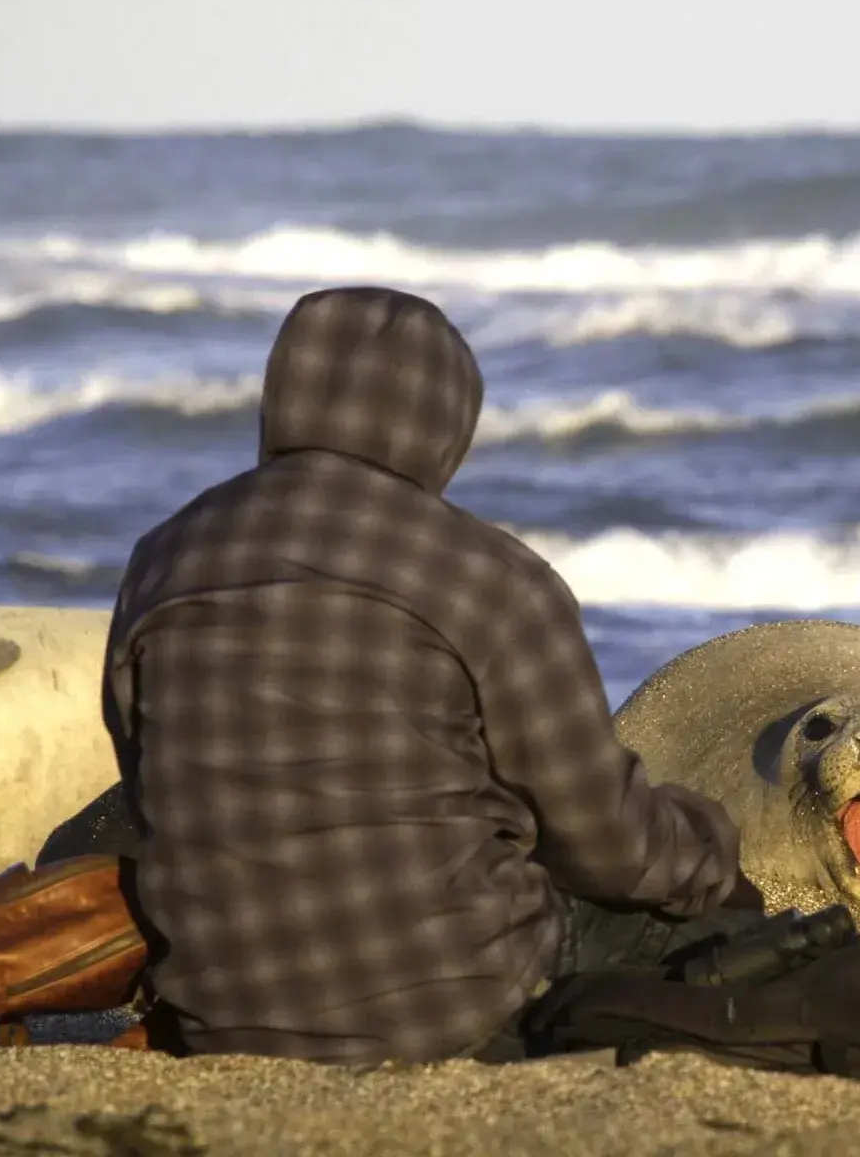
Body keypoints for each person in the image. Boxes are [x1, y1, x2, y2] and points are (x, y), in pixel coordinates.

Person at [101, 285, 757, 1065]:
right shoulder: (488, 577)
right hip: (452, 1006)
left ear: (284, 394)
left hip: (225, 1015)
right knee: (724, 924)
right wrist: (713, 842)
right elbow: (610, 846)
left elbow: (146, 781)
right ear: (445, 425)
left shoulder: (164, 555)